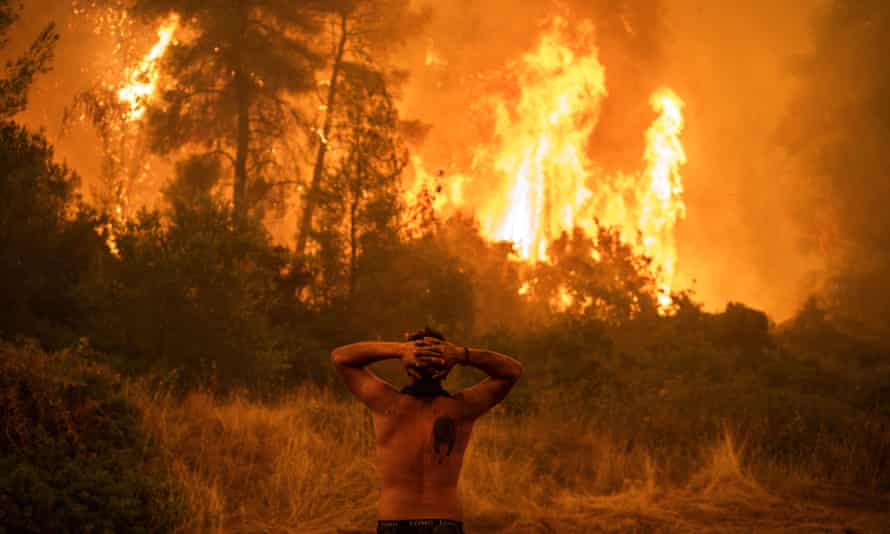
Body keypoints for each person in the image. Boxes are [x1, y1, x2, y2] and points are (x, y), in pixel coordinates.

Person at [331, 327, 523, 534]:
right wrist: (460, 354)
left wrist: (400, 350)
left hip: (395, 523)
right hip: (444, 524)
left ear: (408, 367)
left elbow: (340, 357)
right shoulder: (461, 408)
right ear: (446, 367)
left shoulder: (386, 403)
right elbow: (511, 371)